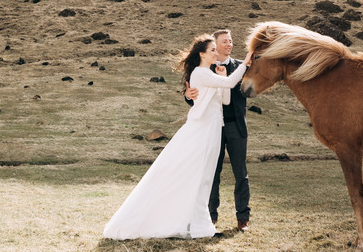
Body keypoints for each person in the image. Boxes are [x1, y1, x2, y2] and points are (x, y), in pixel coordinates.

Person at [103, 34, 252, 240]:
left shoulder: (211, 73)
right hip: (202, 129)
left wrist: (224, 73)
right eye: (212, 50)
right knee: (199, 175)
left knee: (206, 177)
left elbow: (225, 99)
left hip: (214, 129)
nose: (216, 53)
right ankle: (197, 224)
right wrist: (246, 62)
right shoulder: (200, 73)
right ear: (202, 54)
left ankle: (201, 225)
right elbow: (228, 84)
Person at [185, 29, 251, 232]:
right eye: (224, 42)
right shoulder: (203, 68)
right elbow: (193, 95)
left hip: (235, 125)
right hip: (212, 126)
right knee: (212, 173)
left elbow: (240, 93)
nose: (229, 44)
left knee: (241, 172)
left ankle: (243, 218)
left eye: (231, 41)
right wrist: (188, 94)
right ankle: (210, 216)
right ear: (214, 46)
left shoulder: (239, 66)